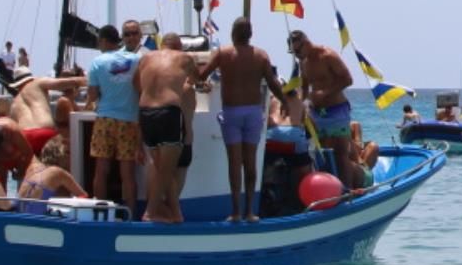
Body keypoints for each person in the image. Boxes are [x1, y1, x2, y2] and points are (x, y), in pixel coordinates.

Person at [212, 17, 290, 222]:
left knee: (234, 164)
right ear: (251, 34)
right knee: (251, 163)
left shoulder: (223, 53)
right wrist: (284, 101)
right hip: (254, 113)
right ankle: (250, 211)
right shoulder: (261, 55)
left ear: (232, 33)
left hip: (231, 112)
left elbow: (202, 74)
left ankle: (236, 211)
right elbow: (273, 83)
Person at [135, 33, 207, 224]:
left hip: (145, 112)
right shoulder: (184, 58)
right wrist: (201, 82)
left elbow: (136, 84)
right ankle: (150, 213)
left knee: (160, 167)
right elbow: (198, 79)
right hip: (167, 112)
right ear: (179, 46)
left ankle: (175, 214)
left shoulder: (145, 58)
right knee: (166, 170)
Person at [85, 21, 145, 214]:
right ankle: (131, 213)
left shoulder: (97, 62)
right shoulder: (136, 60)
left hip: (105, 120)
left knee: (101, 170)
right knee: (127, 173)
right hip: (129, 120)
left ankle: (100, 213)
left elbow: (92, 96)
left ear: (103, 41)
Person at [290, 30, 360, 185]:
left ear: (306, 43)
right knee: (320, 155)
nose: (296, 56)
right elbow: (305, 87)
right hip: (317, 114)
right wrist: (301, 106)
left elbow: (348, 79)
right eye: (293, 53)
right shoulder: (303, 62)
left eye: (297, 51)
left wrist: (325, 93)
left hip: (336, 110)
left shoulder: (328, 56)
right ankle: (329, 188)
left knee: (341, 155)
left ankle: (347, 192)